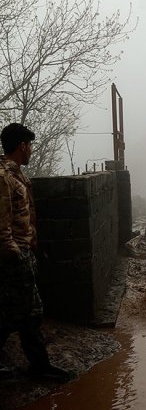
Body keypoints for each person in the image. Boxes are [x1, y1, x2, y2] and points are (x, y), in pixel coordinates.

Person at [0, 123, 74, 382]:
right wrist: (16, 254)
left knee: (27, 312)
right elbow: (2, 224)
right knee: (16, 314)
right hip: (13, 257)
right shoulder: (4, 177)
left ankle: (39, 365)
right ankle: (38, 366)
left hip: (23, 253)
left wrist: (31, 246)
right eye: (30, 145)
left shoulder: (17, 174)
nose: (31, 150)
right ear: (22, 146)